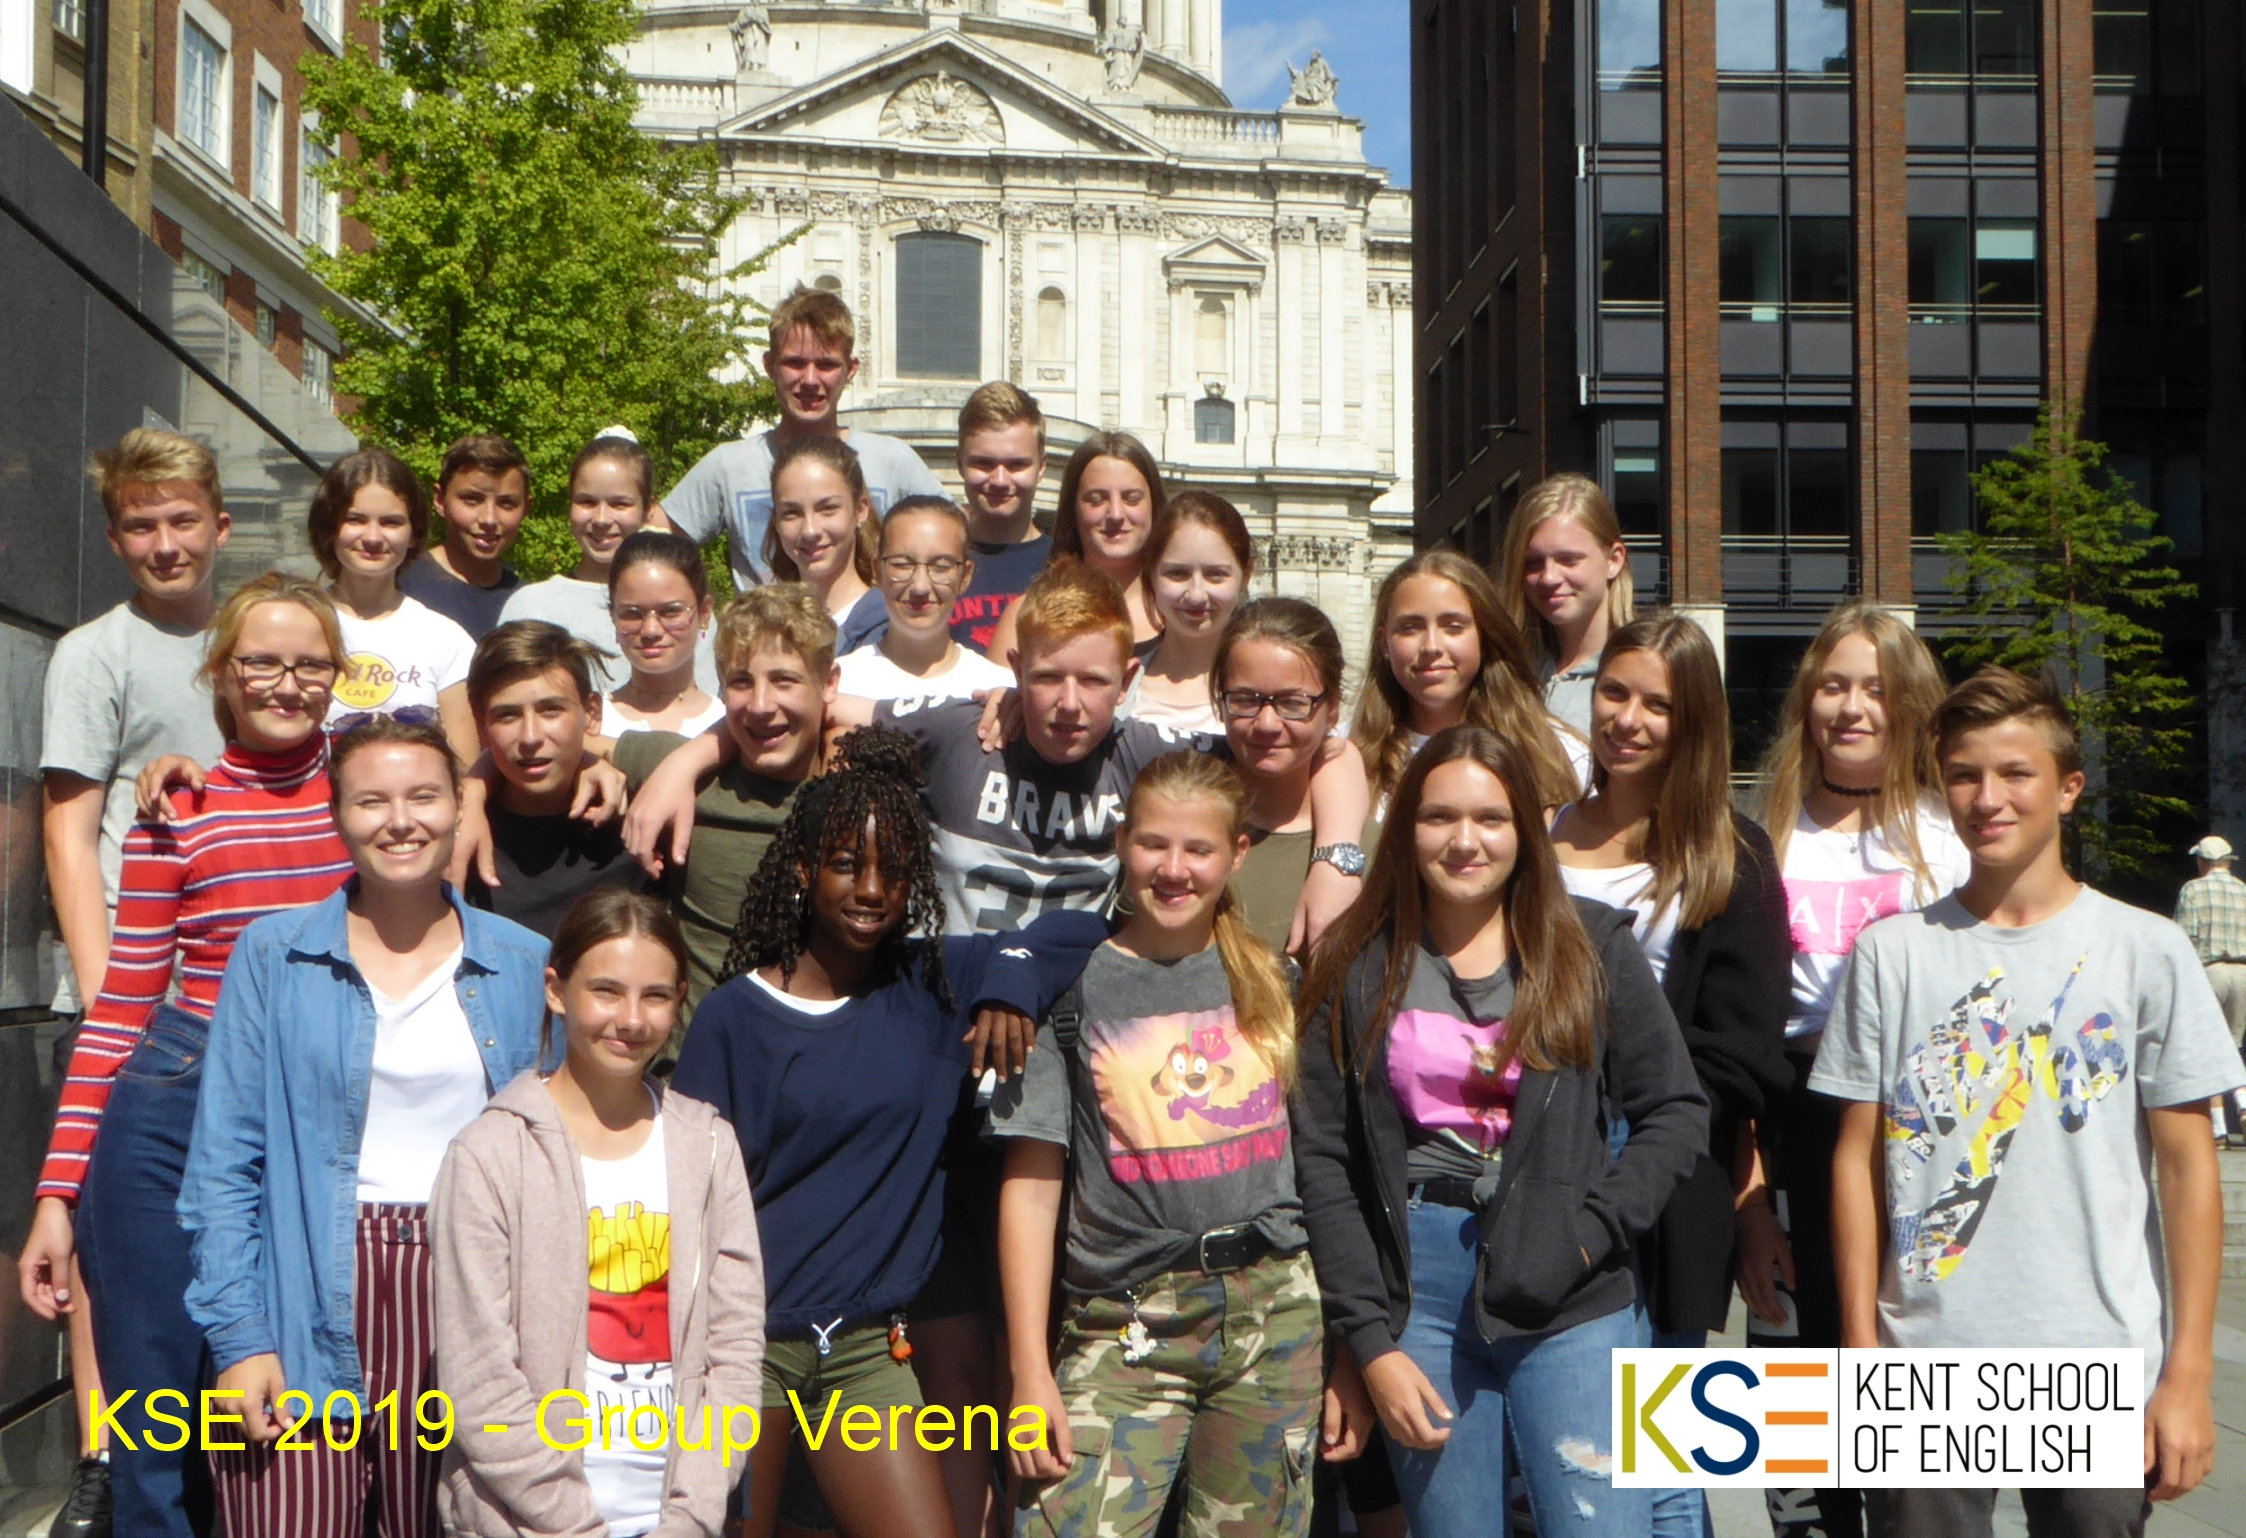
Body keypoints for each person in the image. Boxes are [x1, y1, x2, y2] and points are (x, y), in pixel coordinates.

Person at [1816, 667, 2243, 1538]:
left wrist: (2188, 1375)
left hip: (2098, 1352)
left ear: (2068, 788)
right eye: (1965, 775)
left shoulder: (2146, 949)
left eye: (2016, 773)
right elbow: (1856, 1160)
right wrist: (1860, 1347)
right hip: (1926, 1357)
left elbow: (2188, 1169)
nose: (1989, 798)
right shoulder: (1892, 954)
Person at [669, 726, 1105, 1538]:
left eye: (894, 870)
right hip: (744, 1349)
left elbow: (1084, 932)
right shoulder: (735, 1018)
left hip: (866, 1354)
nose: (872, 889)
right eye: (846, 865)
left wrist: (1008, 980)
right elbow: (685, 1197)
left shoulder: (935, 985)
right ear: (803, 871)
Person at [1293, 725, 1707, 1538]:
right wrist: (1368, 1340)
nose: (1464, 840)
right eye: (1439, 817)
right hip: (1418, 1293)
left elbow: (1675, 1110)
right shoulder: (1355, 961)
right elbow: (1323, 1159)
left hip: (1571, 1283)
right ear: (1405, 827)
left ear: (1525, 829)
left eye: (1490, 818)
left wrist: (1592, 1230)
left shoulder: (1591, 945)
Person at [20, 573, 354, 1538]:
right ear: (222, 672)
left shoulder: (372, 791)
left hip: (320, 1105)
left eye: (310, 664)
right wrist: (57, 1195)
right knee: (154, 1421)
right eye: (262, 662)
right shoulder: (181, 810)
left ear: (338, 675)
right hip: (176, 1092)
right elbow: (122, 1007)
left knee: (286, 1423)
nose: (286, 683)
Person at [179, 712, 550, 1538]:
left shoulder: (525, 962)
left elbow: (556, 1160)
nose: (400, 821)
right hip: (300, 1287)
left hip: (469, 1292)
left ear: (459, 805)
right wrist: (239, 1336)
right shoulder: (272, 956)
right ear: (337, 813)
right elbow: (223, 1165)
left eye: (423, 797)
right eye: (372, 801)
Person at [996, 752, 1322, 1536]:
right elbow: (1032, 1189)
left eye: (1198, 849)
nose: (1174, 869)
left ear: (1237, 853)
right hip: (1126, 1324)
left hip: (1275, 1317)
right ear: (1122, 843)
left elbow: (1321, 1164)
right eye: (1153, 844)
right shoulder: (1070, 989)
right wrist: (1029, 1371)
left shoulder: (1274, 979)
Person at [1547, 615, 1791, 1538]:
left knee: (1664, 1458)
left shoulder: (1732, 854)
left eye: (1659, 705)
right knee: (1565, 1448)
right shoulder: (1537, 833)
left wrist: (1635, 1110)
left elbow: (1744, 1052)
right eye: (1615, 692)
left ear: (1695, 723)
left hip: (1665, 1177)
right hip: (1533, 1162)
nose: (1629, 719)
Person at [33, 426, 231, 1535]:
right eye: (141, 525)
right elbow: (69, 836)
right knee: (108, 1245)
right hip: (131, 1001)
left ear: (220, 525)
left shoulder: (250, 642)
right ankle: (105, 1453)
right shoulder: (93, 653)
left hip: (228, 999)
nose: (165, 543)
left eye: (182, 519)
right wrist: (118, 996)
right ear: (114, 539)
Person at [430, 888, 765, 1538]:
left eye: (656, 996)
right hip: (527, 1524)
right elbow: (479, 1381)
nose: (631, 1019)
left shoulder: (709, 1146)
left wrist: (690, 1518)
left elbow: (735, 1351)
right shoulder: (488, 1155)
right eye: (606, 991)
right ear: (556, 990)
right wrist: (575, 1525)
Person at [1745, 599, 1970, 1538]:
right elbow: (1736, 1028)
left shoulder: (1953, 828)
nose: (1852, 707)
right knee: (1801, 1379)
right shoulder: (1765, 830)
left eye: (1875, 689)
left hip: (1923, 1122)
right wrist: (1749, 1194)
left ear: (1911, 703)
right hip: (1796, 1112)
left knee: (1911, 1372)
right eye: (1833, 685)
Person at [613, 584, 836, 1006]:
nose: (760, 705)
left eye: (784, 680)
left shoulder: (861, 793)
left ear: (830, 683)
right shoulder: (681, 773)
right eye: (740, 682)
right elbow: (566, 746)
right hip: (692, 1043)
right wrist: (481, 787)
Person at [654, 286, 943, 592]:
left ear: (851, 370)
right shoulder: (729, 465)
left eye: (826, 365)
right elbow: (649, 546)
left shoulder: (893, 460)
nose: (810, 380)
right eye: (795, 363)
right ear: (769, 365)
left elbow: (954, 540)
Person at [1351, 549, 1585, 822]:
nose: (1431, 646)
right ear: (1384, 643)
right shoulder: (1344, 757)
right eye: (1410, 628)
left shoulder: (1558, 754)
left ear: (1484, 636)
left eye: (1453, 627)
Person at [464, 621, 641, 937]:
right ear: (482, 726)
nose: (530, 737)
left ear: (592, 713)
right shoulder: (460, 832)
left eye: (551, 710)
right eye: (507, 715)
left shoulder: (640, 821)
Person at [309, 448, 479, 763]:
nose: (373, 537)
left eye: (391, 522)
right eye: (355, 519)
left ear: (413, 533)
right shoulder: (298, 625)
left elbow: (464, 768)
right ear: (330, 527)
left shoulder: (446, 638)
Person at [498, 431, 660, 690]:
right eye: (587, 502)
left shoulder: (678, 608)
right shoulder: (532, 606)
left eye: (619, 504)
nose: (601, 519)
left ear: (648, 509)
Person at [987, 431, 1166, 660]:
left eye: (1131, 499)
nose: (1115, 514)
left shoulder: (1186, 611)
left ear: (1153, 505)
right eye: (1096, 499)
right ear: (1073, 509)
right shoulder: (1026, 615)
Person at [838, 495, 1014, 704]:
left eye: (941, 567)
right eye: (902, 565)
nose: (920, 587)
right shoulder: (839, 683)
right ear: (877, 571)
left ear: (965, 577)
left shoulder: (1000, 690)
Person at [1495, 473, 1633, 734]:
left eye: (1568, 560)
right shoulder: (1511, 677)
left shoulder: (1648, 671)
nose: (1549, 578)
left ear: (1614, 560)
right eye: (1533, 563)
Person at [1120, 490, 1252, 734]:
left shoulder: (1267, 690)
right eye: (1178, 574)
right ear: (1151, 575)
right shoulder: (1116, 688)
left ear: (1246, 576)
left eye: (1216, 575)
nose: (1196, 595)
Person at [948, 382, 1053, 653]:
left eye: (1017, 465)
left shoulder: (1066, 563)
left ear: (1041, 467)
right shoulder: (934, 561)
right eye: (984, 463)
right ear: (959, 463)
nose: (1000, 481)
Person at [400, 433, 531, 636]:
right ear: (440, 500)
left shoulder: (527, 605)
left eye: (506, 503)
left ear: (526, 509)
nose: (489, 519)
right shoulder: (400, 584)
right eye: (472, 500)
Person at [767, 434, 888, 654]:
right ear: (776, 520)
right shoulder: (763, 628)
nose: (810, 530)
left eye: (828, 509)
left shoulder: (891, 632)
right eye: (792, 513)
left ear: (860, 510)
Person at [600, 529, 726, 737]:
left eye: (670, 612)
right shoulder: (591, 724)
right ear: (613, 616)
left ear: (704, 612)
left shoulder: (731, 724)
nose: (651, 630)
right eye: (632, 614)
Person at [2174, 834, 2246, 1146]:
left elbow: (2184, 936)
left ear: (2203, 861)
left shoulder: (2193, 889)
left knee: (2207, 1048)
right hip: (2243, 973)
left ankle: (2217, 1128)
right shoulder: (2243, 890)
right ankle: (2244, 1104)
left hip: (2209, 973)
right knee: (2233, 1046)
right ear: (2227, 861)